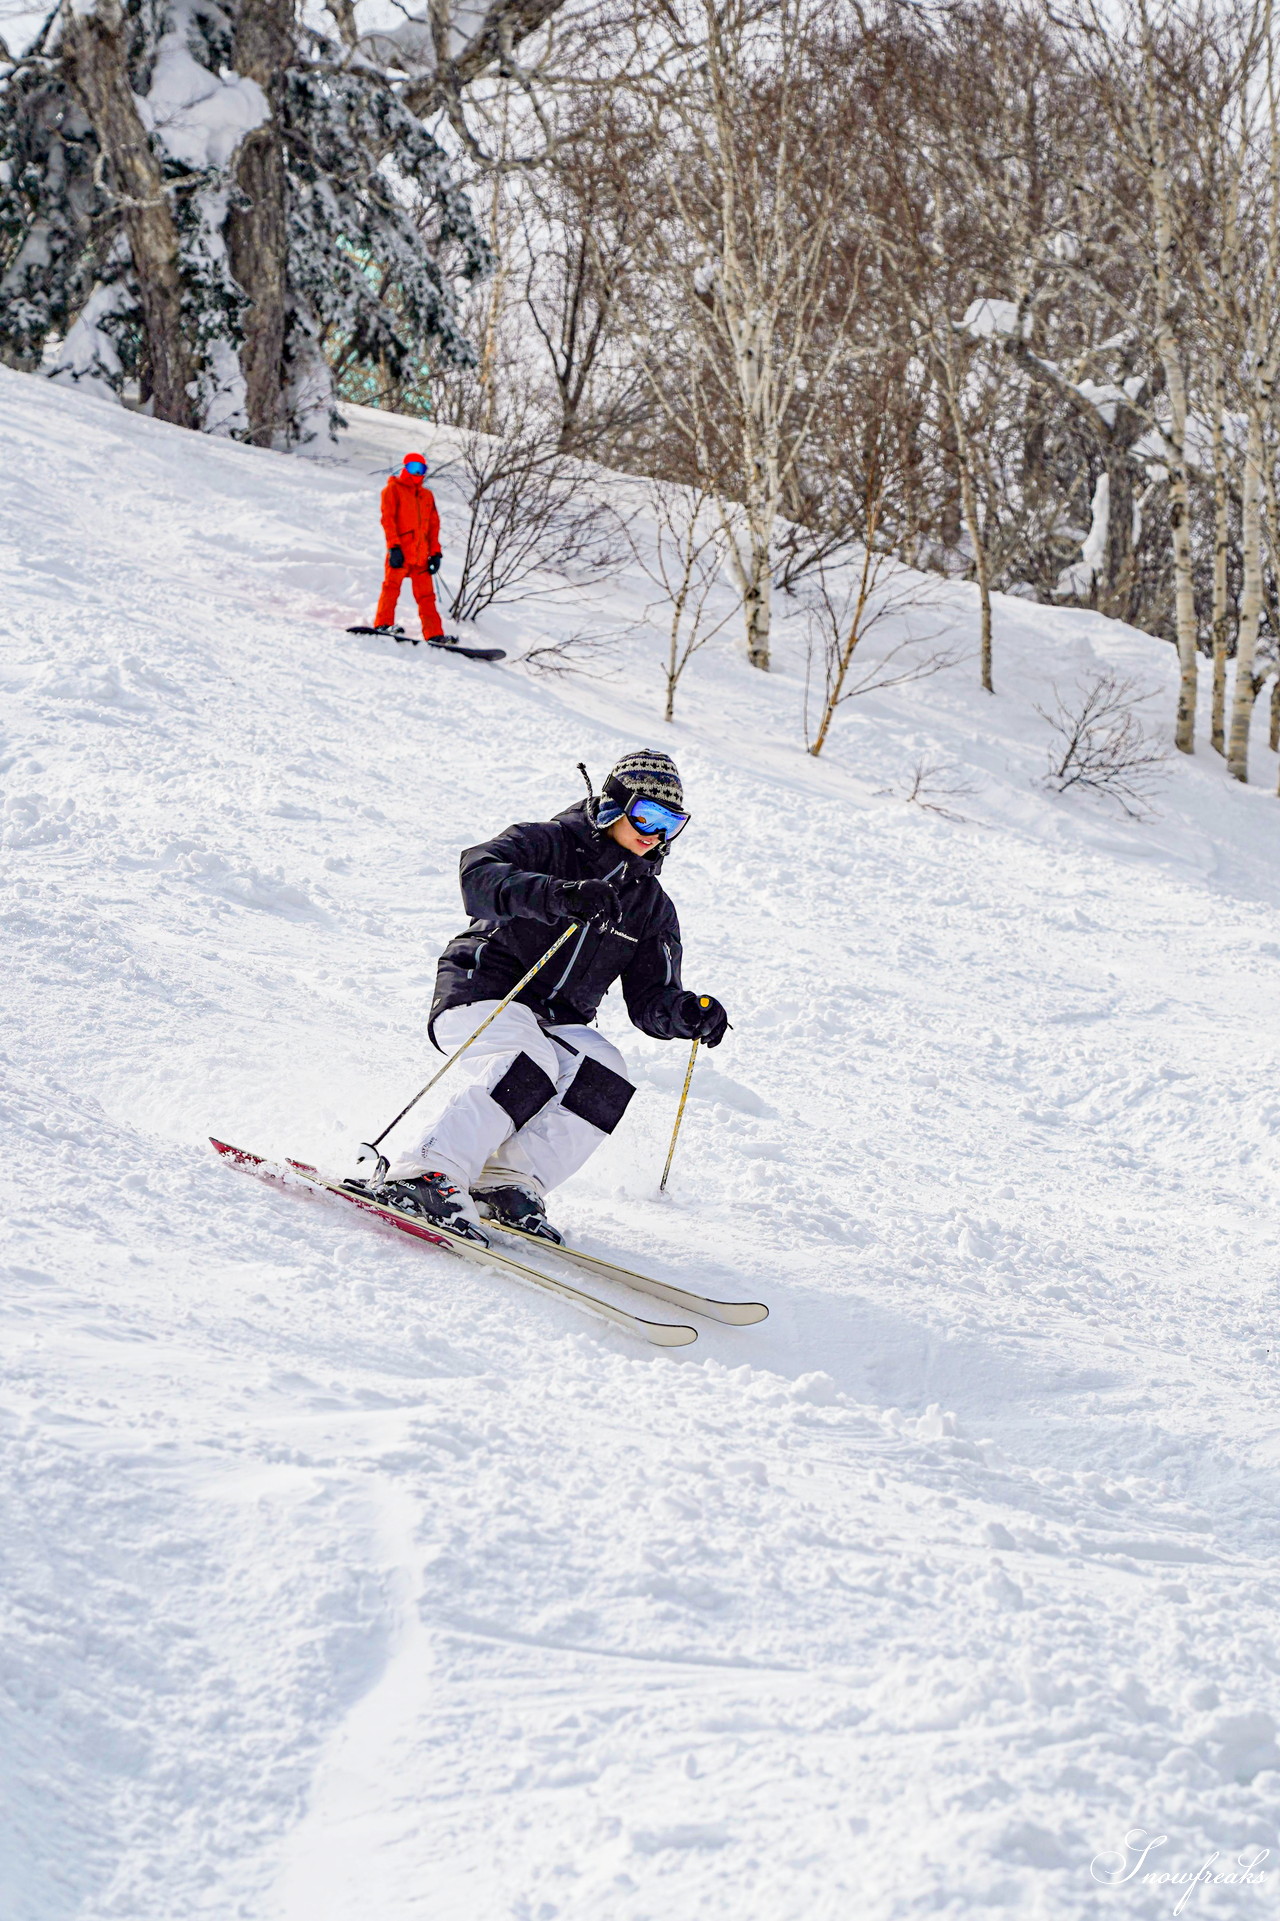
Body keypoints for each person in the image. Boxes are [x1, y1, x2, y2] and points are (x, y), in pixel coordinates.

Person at [367, 750, 729, 1245]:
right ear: (615, 806)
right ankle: (425, 1171)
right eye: (648, 814)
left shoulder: (650, 907)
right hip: (483, 991)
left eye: (673, 822)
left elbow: (652, 998)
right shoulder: (547, 843)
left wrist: (684, 1014)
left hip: (556, 1020)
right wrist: (558, 894)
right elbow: (477, 876)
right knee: (527, 1056)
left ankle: (506, 1182)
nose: (657, 833)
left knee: (606, 1074)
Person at [374, 452, 446, 640]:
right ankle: (383, 623)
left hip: (421, 556)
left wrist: (435, 553)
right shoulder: (392, 490)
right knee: (391, 588)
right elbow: (388, 520)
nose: (417, 472)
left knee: (427, 597)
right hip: (401, 552)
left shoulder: (427, 496)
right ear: (405, 468)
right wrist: (394, 547)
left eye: (421, 469)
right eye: (413, 467)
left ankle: (434, 634)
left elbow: (433, 526)